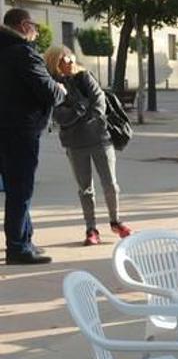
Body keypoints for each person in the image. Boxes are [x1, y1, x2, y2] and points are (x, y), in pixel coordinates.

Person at [44, 46, 133, 245]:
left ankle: (116, 221)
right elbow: (60, 116)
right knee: (85, 188)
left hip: (100, 139)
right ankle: (91, 229)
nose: (69, 62)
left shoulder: (85, 77)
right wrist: (82, 108)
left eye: (69, 57)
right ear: (54, 64)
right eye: (63, 60)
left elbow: (99, 105)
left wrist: (77, 111)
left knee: (110, 184)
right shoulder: (52, 86)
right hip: (75, 145)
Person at [0, 8, 66, 265]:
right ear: (25, 25)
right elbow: (48, 92)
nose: (37, 33)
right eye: (35, 28)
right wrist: (60, 88)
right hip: (20, 130)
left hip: (5, 128)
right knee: (21, 188)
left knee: (16, 186)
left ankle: (25, 239)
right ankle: (17, 247)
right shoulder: (23, 53)